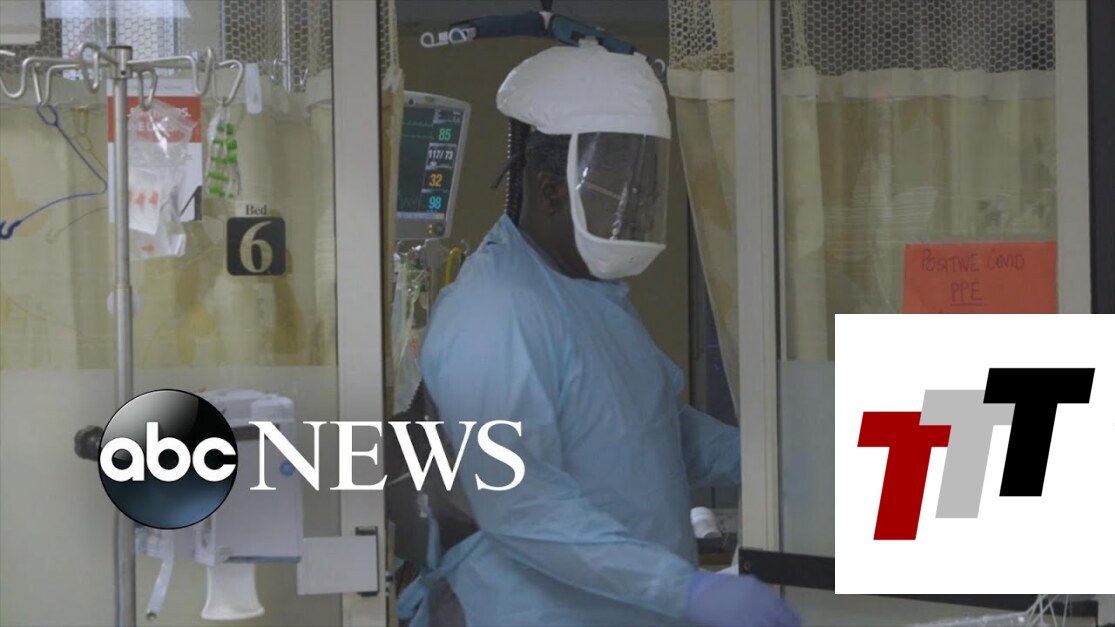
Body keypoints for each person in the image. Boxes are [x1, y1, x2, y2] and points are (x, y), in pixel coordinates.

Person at [403, 41, 801, 627]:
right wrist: (685, 591)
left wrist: (775, 460)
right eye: (621, 189)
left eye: (646, 183)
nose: (639, 203)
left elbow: (645, 433)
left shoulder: (587, 294)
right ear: (550, 189)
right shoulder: (494, 314)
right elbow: (524, 507)